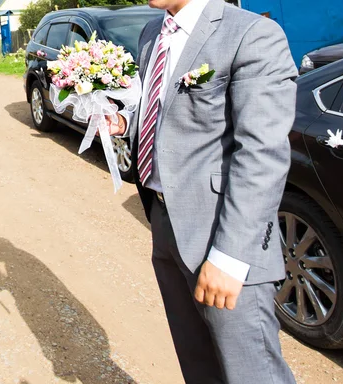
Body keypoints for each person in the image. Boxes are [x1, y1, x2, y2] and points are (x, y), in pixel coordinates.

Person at [105, 0, 298, 382]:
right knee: (197, 362)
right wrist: (125, 120)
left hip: (222, 235)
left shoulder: (251, 34)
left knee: (249, 371)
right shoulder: (152, 34)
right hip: (165, 221)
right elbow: (163, 112)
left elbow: (262, 154)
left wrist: (230, 257)